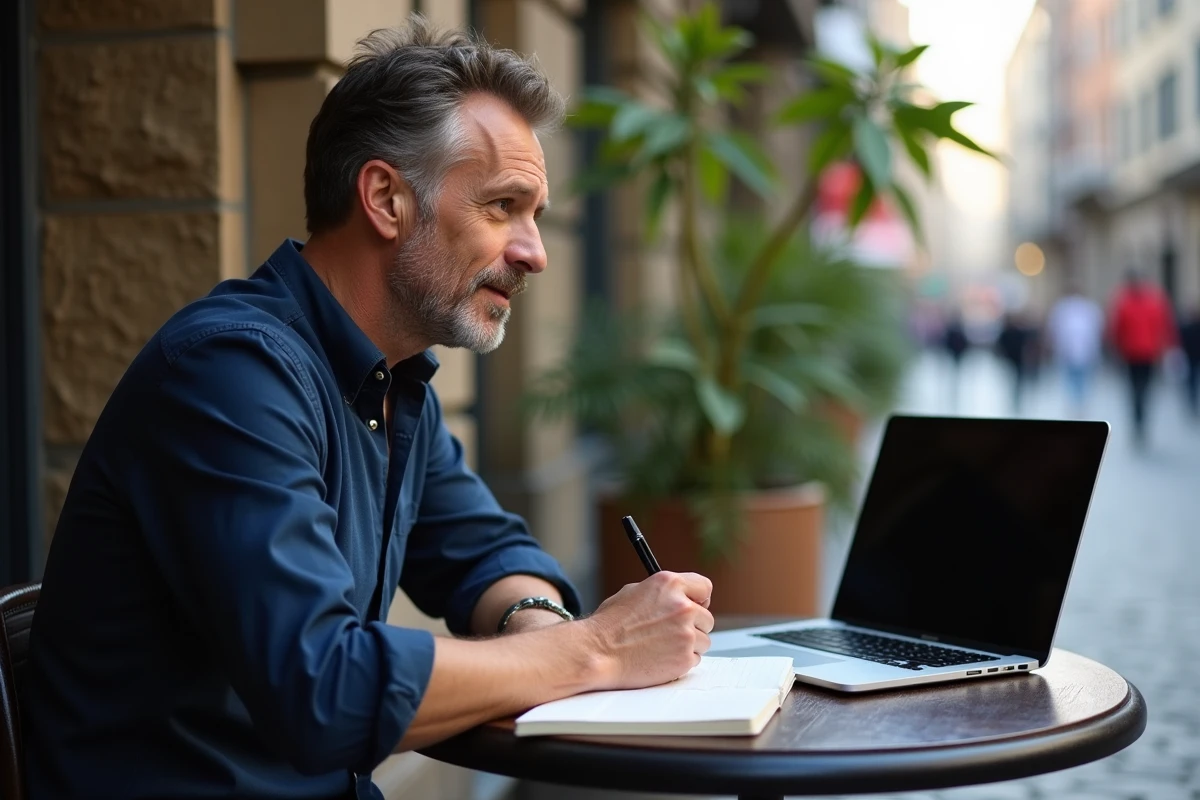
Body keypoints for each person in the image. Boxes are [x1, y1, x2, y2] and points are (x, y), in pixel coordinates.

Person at [21, 18, 714, 800]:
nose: (535, 252)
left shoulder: (391, 381)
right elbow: (326, 691)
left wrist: (535, 622)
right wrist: (595, 651)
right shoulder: (230, 375)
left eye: (537, 215)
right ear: (386, 198)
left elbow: (487, 552)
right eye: (502, 207)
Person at [1108, 270, 1176, 447]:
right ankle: (1141, 416)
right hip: (1147, 353)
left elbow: (1116, 329)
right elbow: (1164, 325)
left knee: (1135, 388)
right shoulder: (1154, 300)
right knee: (1143, 387)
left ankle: (1138, 417)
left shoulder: (1125, 301)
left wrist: (1116, 349)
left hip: (1134, 353)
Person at [1046, 285, 1104, 416]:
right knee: (1075, 378)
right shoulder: (1069, 308)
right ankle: (1077, 403)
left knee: (1078, 378)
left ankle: (1078, 402)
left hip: (1079, 351)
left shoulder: (1066, 308)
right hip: (1072, 351)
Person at [994, 310, 1038, 414]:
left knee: (1016, 381)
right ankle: (1014, 399)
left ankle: (1016, 399)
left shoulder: (1016, 332)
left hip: (1017, 361)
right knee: (1014, 381)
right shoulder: (1008, 333)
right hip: (1012, 361)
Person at [1179, 303, 1200, 419]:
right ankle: (1193, 400)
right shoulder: (1187, 327)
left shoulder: (1186, 327)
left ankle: (1192, 400)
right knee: (1192, 380)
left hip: (1191, 357)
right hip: (1191, 357)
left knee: (1192, 381)